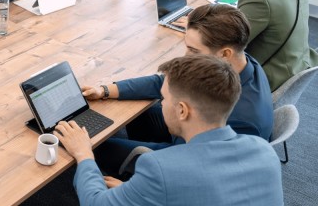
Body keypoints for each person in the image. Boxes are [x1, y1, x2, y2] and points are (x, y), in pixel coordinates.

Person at [55, 54, 283, 205]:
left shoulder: (161, 168)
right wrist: (135, 191)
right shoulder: (263, 151)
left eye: (162, 99)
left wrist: (84, 153)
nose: (161, 103)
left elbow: (96, 202)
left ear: (182, 110)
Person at [86, 4, 273, 177]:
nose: (186, 57)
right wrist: (104, 90)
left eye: (194, 51)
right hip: (190, 139)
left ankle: (134, 176)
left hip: (190, 161)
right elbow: (167, 81)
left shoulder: (241, 121)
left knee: (97, 147)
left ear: (225, 54)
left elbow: (191, 167)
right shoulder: (240, 62)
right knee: (136, 110)